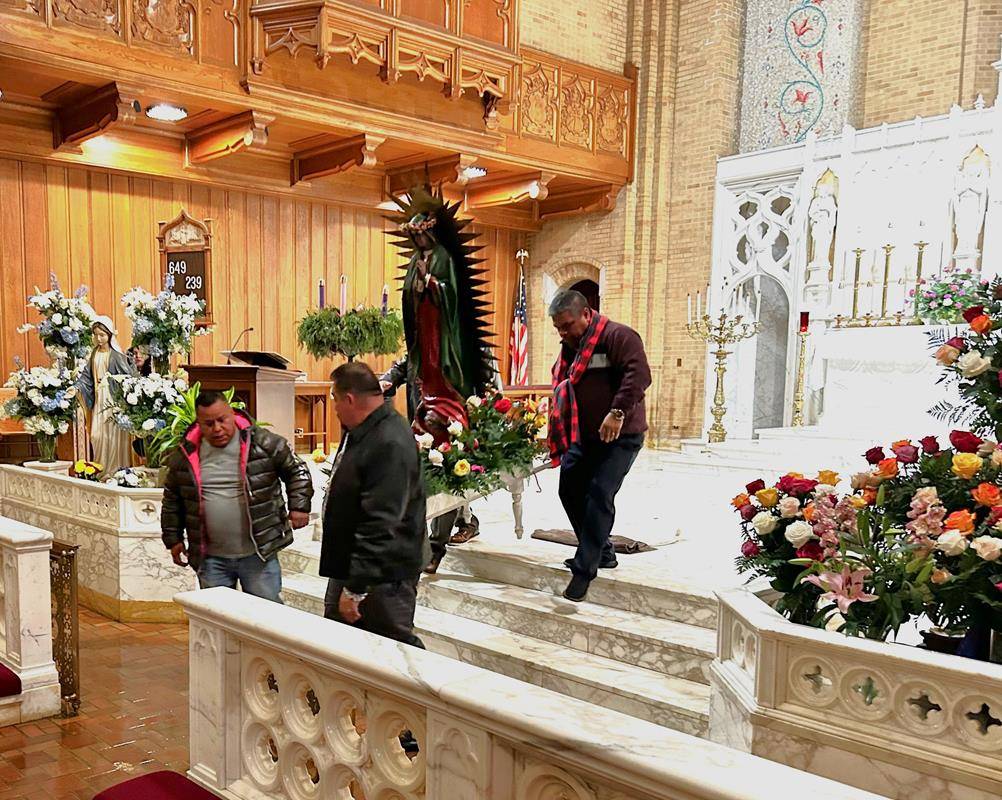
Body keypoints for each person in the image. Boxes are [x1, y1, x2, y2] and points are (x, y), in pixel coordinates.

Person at [548, 289, 651, 602]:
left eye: (567, 325)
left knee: (599, 492)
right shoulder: (571, 346)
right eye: (558, 328)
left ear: (585, 313)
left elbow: (639, 376)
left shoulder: (619, 336)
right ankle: (602, 551)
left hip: (622, 435)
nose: (562, 333)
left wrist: (617, 412)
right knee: (569, 488)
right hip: (584, 435)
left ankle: (584, 570)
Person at [161, 390, 313, 602]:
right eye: (208, 424)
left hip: (258, 553)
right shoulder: (185, 453)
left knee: (265, 615)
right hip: (211, 559)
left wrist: (299, 507)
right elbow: (172, 499)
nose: (217, 428)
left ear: (232, 414)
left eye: (222, 420)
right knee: (217, 617)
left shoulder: (262, 442)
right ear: (199, 423)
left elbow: (296, 470)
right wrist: (173, 538)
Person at [320, 362, 426, 646]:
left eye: (335, 400)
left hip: (383, 575)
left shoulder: (389, 440)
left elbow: (382, 521)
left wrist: (355, 589)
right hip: (355, 564)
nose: (335, 409)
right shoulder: (368, 429)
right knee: (341, 645)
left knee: (392, 649)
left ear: (349, 399)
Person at [379, 357, 479, 574]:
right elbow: (400, 367)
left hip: (452, 428)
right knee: (417, 487)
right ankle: (423, 542)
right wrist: (383, 382)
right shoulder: (417, 352)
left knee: (446, 488)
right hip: (420, 428)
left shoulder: (453, 351)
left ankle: (436, 548)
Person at [76, 317, 137, 474]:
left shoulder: (116, 355)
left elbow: (129, 377)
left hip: (113, 401)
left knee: (112, 436)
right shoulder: (94, 353)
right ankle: (101, 468)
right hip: (99, 400)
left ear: (109, 335)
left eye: (102, 335)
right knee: (97, 435)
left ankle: (115, 469)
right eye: (96, 335)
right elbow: (86, 376)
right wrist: (76, 387)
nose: (99, 338)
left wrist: (110, 379)